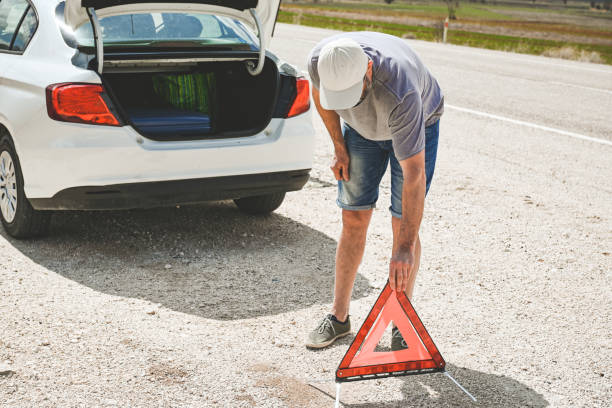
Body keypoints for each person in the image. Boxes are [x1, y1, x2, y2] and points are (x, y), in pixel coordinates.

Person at [305, 32, 444, 350]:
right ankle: (339, 318)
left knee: (402, 226)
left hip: (417, 124)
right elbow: (318, 93)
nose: (346, 101)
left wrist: (404, 249)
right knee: (353, 218)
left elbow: (413, 175)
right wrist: (339, 145)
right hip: (360, 132)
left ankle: (401, 317)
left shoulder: (400, 88)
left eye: (351, 94)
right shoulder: (319, 62)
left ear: (368, 69)